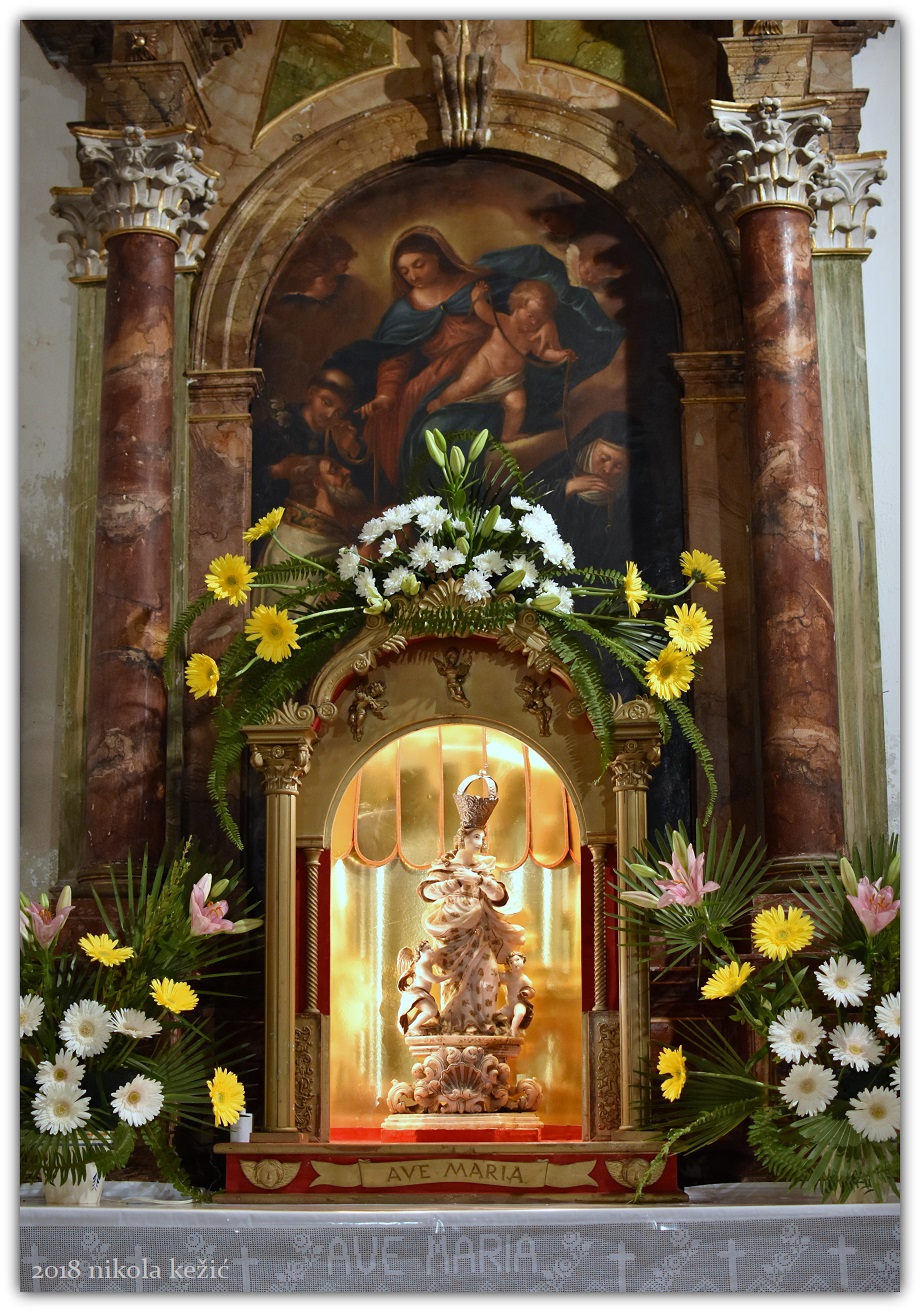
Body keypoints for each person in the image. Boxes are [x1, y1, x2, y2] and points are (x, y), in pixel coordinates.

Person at [415, 773, 525, 1034]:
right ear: (463, 838)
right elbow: (427, 892)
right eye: (476, 837)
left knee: (489, 976)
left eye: (483, 837)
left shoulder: (483, 868)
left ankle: (484, 1023)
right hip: (453, 934)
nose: (481, 842)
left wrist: (479, 881)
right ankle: (457, 1026)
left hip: (479, 933)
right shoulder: (446, 865)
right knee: (455, 978)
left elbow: (500, 897)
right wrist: (455, 883)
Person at [430, 279, 577, 441]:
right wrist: (477, 297)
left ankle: (509, 434)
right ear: (517, 306)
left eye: (539, 321)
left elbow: (544, 353)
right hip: (486, 365)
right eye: (530, 316)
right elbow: (483, 312)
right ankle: (440, 402)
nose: (534, 322)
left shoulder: (532, 338)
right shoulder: (504, 321)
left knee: (518, 405)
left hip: (511, 379)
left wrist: (561, 355)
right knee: (463, 387)